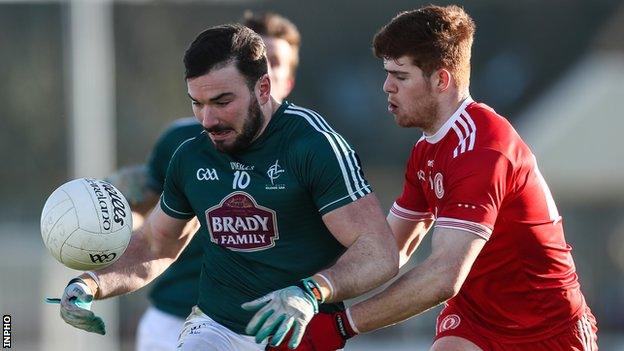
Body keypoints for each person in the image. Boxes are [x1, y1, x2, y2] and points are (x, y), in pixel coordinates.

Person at [252, 5, 599, 351]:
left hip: (546, 330)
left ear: (441, 80)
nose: (386, 87)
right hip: (475, 319)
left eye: (400, 76)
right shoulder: (427, 149)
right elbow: (388, 252)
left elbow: (443, 276)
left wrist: (340, 326)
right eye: (387, 73)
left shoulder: (482, 148)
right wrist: (310, 290)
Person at [49, 24, 399, 351]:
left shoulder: (313, 146)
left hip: (296, 333)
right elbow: (156, 244)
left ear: (262, 88)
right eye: (197, 103)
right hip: (217, 327)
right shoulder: (191, 155)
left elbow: (379, 252)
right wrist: (90, 283)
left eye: (222, 102)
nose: (208, 120)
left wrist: (312, 291)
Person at [105, 12, 303, 351]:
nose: (264, 69)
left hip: (265, 326)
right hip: (173, 318)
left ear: (286, 80)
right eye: (254, 60)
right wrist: (111, 209)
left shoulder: (311, 146)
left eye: (274, 61)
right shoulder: (181, 141)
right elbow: (146, 213)